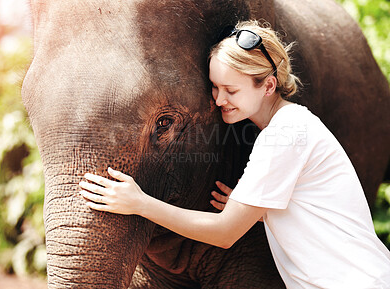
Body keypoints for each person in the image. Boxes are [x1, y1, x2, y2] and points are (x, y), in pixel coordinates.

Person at [79, 20, 390, 288]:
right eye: (215, 87)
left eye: (232, 90)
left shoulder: (284, 135)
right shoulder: (292, 124)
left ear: (268, 86)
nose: (218, 99)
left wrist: (139, 203)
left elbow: (225, 233)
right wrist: (260, 208)